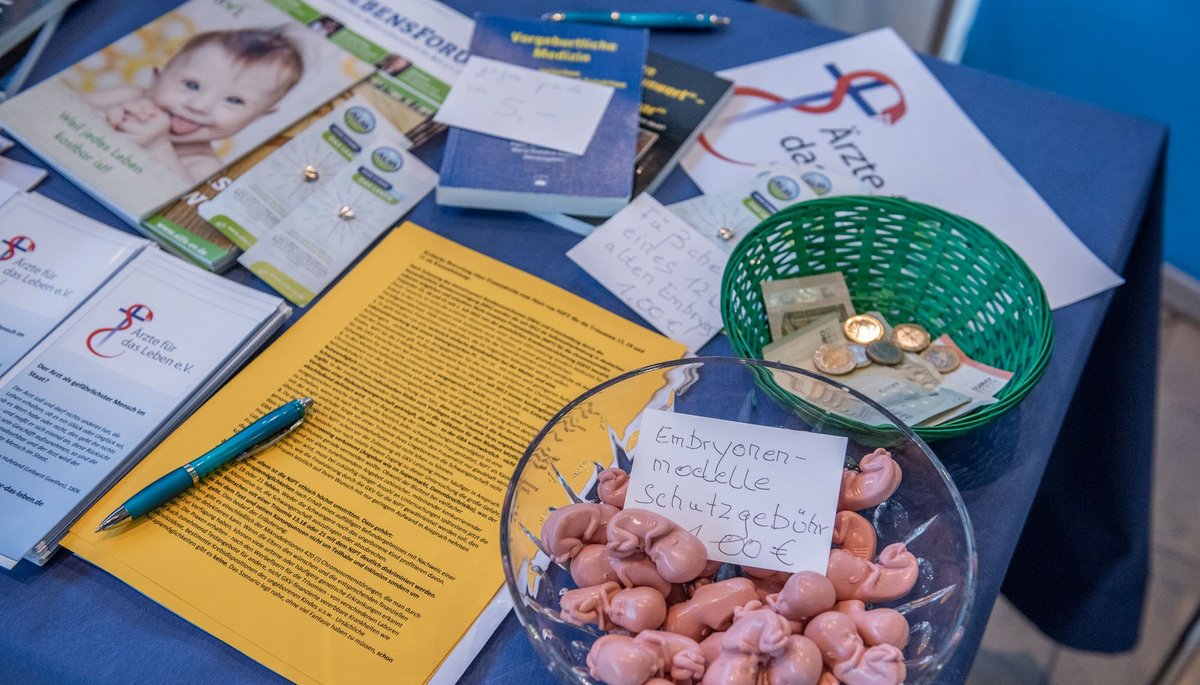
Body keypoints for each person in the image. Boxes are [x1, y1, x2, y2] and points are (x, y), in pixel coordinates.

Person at [81, 28, 304, 183]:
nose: (200, 106)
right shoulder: (126, 95)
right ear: (158, 76)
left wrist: (157, 147)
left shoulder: (203, 167)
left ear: (256, 117)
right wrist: (96, 117)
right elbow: (51, 112)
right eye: (191, 85)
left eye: (234, 100)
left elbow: (175, 213)